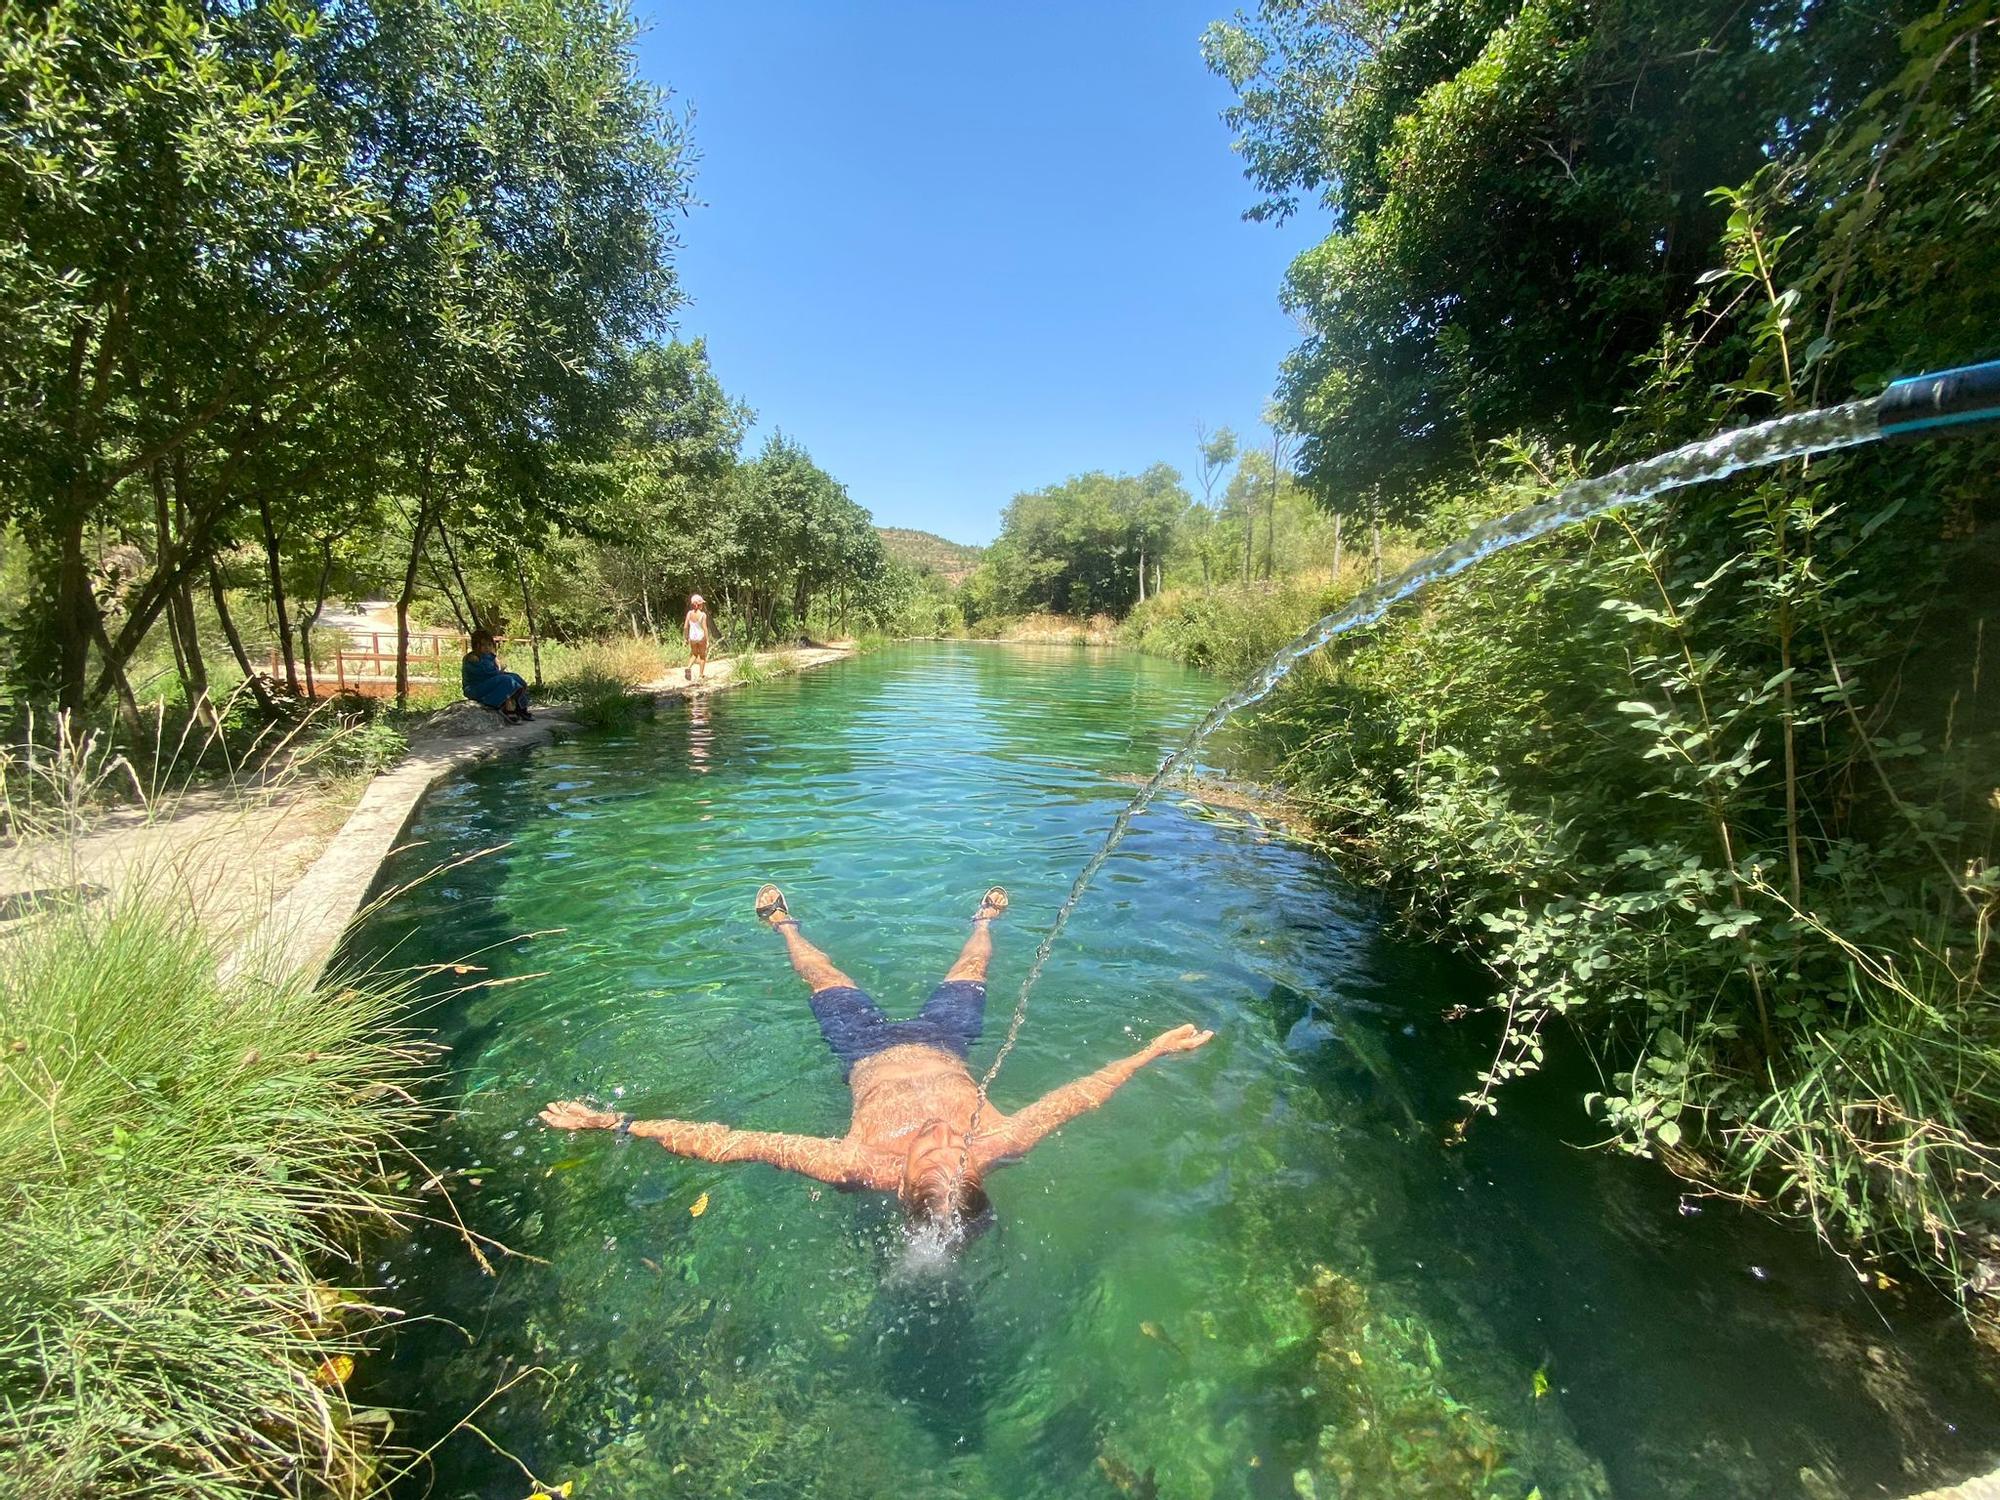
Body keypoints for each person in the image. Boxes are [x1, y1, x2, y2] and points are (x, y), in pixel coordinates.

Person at [540, 885, 1214, 1241]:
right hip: (945, 1041)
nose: (947, 1133)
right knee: (975, 962)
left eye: (933, 1145)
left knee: (821, 973)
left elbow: (731, 1145)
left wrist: (615, 1126)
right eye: (957, 1147)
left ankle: (784, 926)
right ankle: (984, 920)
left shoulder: (859, 1165)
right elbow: (1082, 1095)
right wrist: (1152, 1050)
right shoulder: (996, 1143)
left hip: (862, 1049)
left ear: (900, 1184)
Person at [460, 629, 532, 722]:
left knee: (516, 677)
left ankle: (520, 706)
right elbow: (485, 673)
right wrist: (500, 672)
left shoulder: (489, 656)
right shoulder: (472, 658)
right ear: (476, 645)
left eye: (489, 644)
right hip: (475, 688)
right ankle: (499, 705)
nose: (487, 647)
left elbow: (493, 673)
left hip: (488, 683)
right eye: (483, 645)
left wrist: (500, 671)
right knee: (507, 680)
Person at [683, 594, 713, 683]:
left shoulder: (689, 614)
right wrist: (707, 640)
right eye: (701, 603)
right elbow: (704, 628)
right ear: (699, 605)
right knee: (702, 656)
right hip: (701, 637)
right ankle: (701, 675)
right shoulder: (702, 615)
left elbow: (685, 627)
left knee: (694, 654)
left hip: (692, 637)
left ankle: (688, 667)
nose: (702, 605)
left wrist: (686, 638)